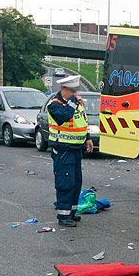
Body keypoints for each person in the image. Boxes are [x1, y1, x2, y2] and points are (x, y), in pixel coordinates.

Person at [47, 75, 93, 227]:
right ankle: (63, 216)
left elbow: (82, 122)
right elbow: (62, 117)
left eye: (76, 91)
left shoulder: (76, 104)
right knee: (65, 183)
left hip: (75, 149)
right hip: (62, 150)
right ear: (64, 89)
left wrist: (87, 138)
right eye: (72, 91)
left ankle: (72, 213)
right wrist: (73, 102)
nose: (75, 93)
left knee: (75, 183)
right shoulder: (54, 104)